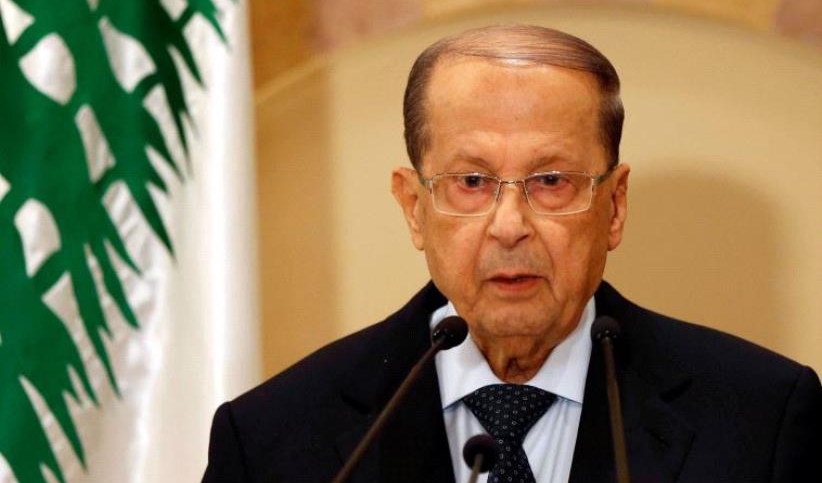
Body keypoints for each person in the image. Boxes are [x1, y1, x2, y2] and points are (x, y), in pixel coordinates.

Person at [202, 25, 821, 483]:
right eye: (471, 182)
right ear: (414, 207)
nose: (509, 226)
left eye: (551, 181)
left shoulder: (761, 420)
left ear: (615, 205)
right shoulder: (272, 439)